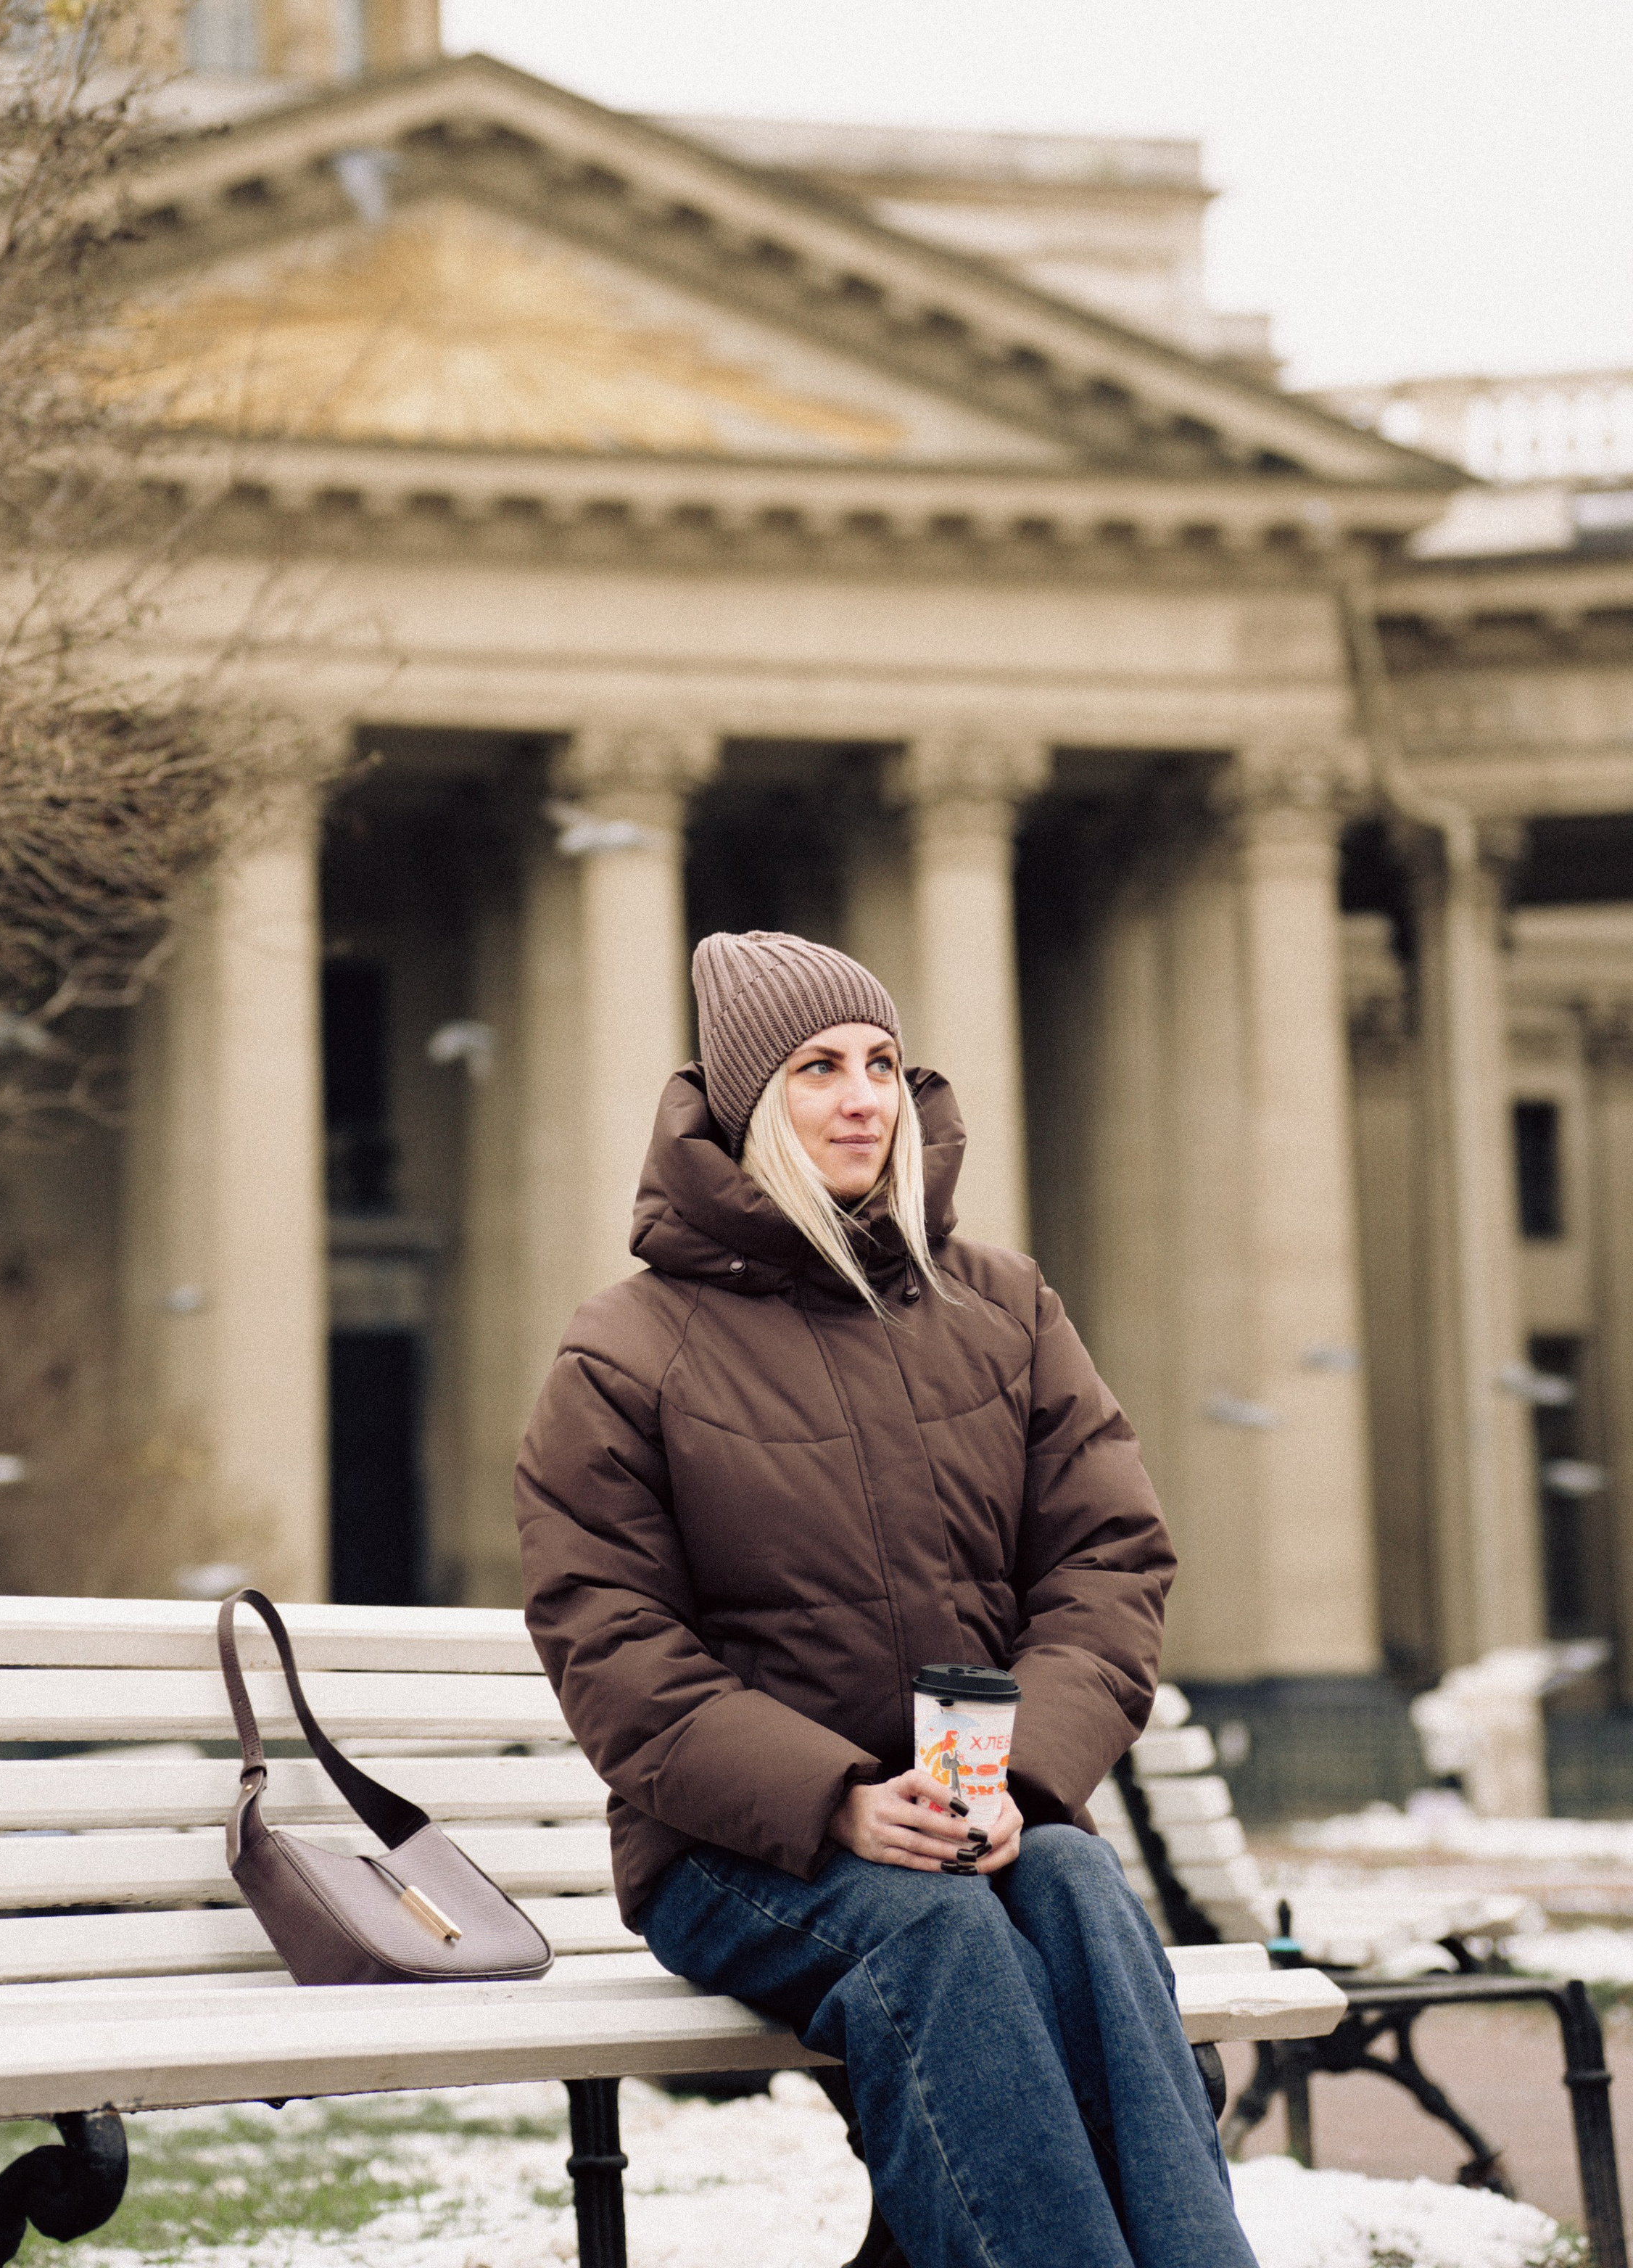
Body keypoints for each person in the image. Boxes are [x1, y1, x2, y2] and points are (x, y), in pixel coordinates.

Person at [516, 929, 1254, 2268]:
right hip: (743, 1856)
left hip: (987, 1827)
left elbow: (1108, 1560)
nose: (865, 1098)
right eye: (818, 1069)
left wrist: (1017, 1784)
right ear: (747, 1104)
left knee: (1085, 1884)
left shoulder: (1006, 1308)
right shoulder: (624, 1350)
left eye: (883, 1064)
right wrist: (837, 1798)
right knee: (938, 1934)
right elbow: (611, 1644)